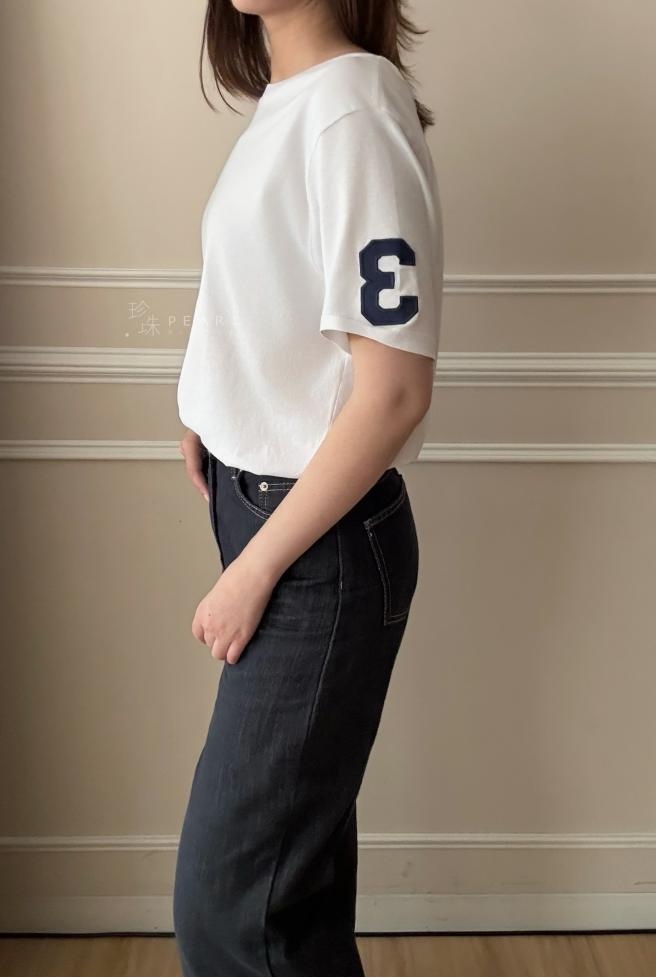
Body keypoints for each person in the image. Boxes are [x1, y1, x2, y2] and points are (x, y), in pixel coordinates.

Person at [172, 1, 443, 974]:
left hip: (313, 551)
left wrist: (255, 568)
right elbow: (274, 291)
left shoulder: (354, 108)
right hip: (268, 515)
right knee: (292, 898)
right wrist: (212, 403)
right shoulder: (293, 100)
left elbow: (394, 390)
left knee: (230, 906)